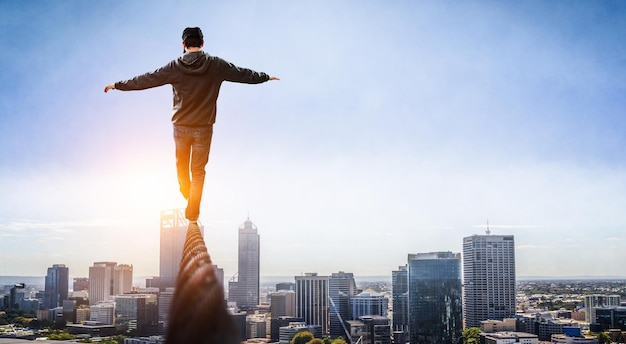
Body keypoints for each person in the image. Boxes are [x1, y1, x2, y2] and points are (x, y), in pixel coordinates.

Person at [104, 27, 278, 223]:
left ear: (183, 45)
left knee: (181, 165)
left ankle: (185, 190)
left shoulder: (175, 67)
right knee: (199, 170)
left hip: (181, 127)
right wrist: (265, 77)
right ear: (202, 44)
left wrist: (118, 85)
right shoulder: (216, 65)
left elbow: (146, 79)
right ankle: (193, 211)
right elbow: (243, 74)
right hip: (204, 128)